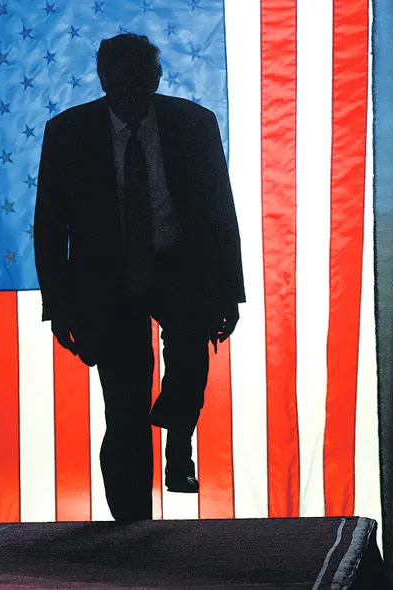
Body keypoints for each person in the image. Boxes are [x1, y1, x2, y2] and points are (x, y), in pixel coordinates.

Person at [34, 33, 245, 522]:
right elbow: (49, 226)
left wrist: (227, 293)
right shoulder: (67, 132)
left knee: (190, 366)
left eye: (143, 78)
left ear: (157, 77)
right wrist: (60, 307)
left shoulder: (194, 124)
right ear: (103, 78)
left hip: (179, 267)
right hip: (108, 282)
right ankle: (130, 522)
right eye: (121, 80)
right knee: (124, 408)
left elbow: (219, 212)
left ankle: (176, 441)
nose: (132, 90)